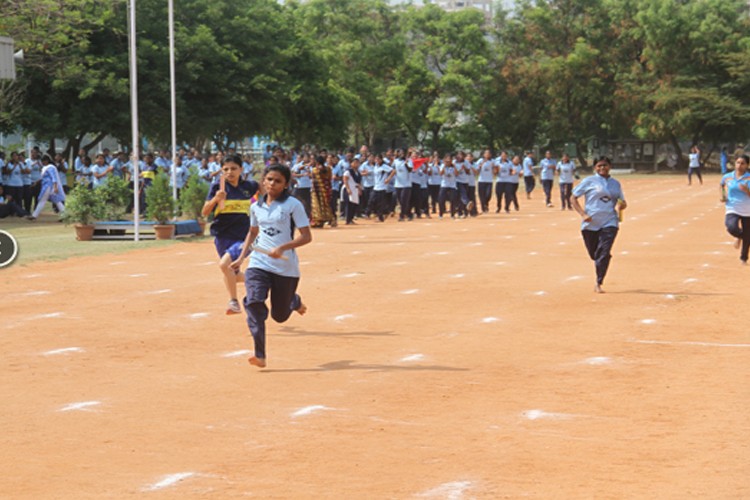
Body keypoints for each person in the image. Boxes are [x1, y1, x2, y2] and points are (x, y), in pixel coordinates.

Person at [231, 163, 312, 368]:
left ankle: (293, 301)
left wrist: (283, 247)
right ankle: (260, 354)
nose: (272, 184)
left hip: (285, 268)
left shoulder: (293, 205)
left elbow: (306, 237)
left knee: (280, 316)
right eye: (269, 179)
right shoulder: (255, 206)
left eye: (278, 181)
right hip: (259, 263)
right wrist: (241, 258)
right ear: (263, 181)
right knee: (254, 302)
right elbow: (252, 232)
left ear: (285, 185)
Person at [201, 154, 261, 315]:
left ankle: (233, 302)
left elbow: (267, 193)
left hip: (244, 236)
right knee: (233, 273)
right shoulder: (217, 187)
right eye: (225, 169)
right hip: (222, 235)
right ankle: (262, 280)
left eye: (234, 168)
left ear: (241, 169)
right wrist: (215, 199)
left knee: (224, 265)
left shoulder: (249, 186)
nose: (230, 172)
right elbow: (205, 212)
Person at [572, 157, 627, 293]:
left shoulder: (615, 183)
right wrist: (583, 214)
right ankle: (602, 259)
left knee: (604, 251)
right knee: (594, 254)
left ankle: (599, 281)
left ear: (610, 166)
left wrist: (622, 205)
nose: (602, 168)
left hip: (610, 221)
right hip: (590, 223)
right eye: (599, 166)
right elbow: (573, 198)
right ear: (595, 168)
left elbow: (622, 201)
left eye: (605, 165)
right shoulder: (589, 181)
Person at [719, 154, 750, 264]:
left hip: (747, 210)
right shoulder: (727, 176)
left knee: (747, 234)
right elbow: (722, 185)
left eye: (742, 163)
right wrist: (723, 196)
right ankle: (741, 236)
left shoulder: (749, 178)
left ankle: (743, 258)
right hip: (732, 207)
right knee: (731, 227)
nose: (739, 165)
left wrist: (747, 191)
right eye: (738, 163)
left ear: (747, 165)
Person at [29, 154, 66, 220]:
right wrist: (37, 182)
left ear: (46, 161)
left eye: (43, 161)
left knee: (42, 200)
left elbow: (54, 178)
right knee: (57, 201)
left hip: (48, 186)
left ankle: (34, 215)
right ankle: (65, 215)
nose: (42, 163)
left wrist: (55, 187)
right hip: (48, 186)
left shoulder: (50, 167)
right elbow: (43, 178)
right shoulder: (46, 168)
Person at [310, 155, 335, 228]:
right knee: (326, 205)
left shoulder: (314, 170)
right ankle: (331, 220)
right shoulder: (328, 169)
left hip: (316, 190)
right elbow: (330, 179)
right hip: (326, 189)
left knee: (316, 206)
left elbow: (313, 180)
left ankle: (318, 221)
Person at [342, 157, 363, 225]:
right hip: (349, 189)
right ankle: (348, 219)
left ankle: (351, 218)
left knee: (354, 205)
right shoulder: (348, 171)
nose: (356, 164)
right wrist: (348, 189)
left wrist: (359, 189)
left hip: (355, 189)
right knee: (349, 205)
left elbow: (358, 183)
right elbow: (345, 180)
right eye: (354, 163)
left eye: (357, 163)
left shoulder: (358, 173)